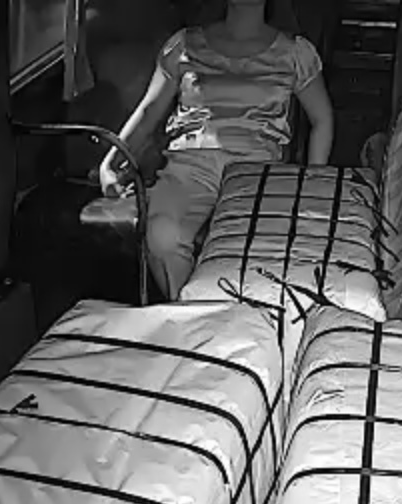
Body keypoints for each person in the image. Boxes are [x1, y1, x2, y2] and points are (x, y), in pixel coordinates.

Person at [98, 0, 335, 299]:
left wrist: (311, 184)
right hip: (189, 165)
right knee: (160, 235)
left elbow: (322, 119)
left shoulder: (295, 53)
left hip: (256, 171)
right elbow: (148, 111)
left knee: (242, 254)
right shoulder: (184, 45)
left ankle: (219, 315)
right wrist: (110, 163)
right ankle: (189, 311)